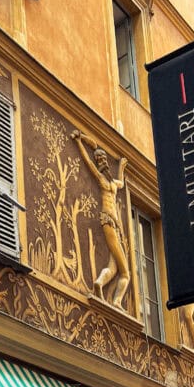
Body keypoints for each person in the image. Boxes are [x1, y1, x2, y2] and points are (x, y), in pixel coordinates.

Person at [71, 131, 130, 307]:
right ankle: (117, 300)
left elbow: (122, 182)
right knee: (125, 272)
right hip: (108, 222)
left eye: (103, 159)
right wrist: (80, 141)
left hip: (114, 227)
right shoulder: (102, 179)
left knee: (114, 268)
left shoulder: (113, 183)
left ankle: (100, 284)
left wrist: (121, 166)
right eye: (100, 160)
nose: (103, 162)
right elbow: (88, 162)